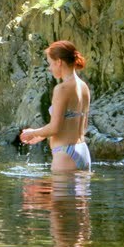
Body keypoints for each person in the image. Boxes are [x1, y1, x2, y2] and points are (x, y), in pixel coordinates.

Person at [20, 40, 92, 172]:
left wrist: (32, 133)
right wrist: (40, 136)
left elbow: (54, 128)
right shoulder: (83, 86)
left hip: (65, 155)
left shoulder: (62, 88)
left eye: (50, 63)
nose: (49, 68)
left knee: (34, 189)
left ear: (59, 62)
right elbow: (78, 124)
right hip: (82, 152)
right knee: (40, 190)